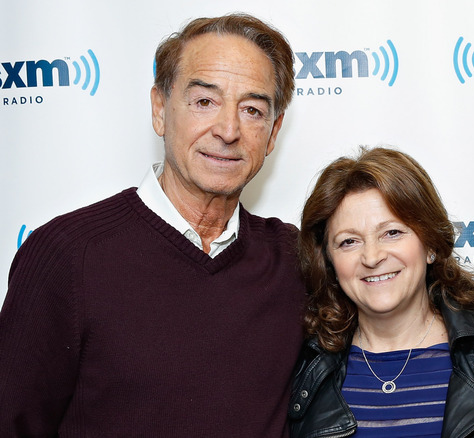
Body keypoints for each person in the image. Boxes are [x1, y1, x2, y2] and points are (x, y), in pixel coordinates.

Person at [0, 14, 305, 436]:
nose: (229, 130)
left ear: (272, 133)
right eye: (204, 102)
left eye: (252, 110)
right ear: (160, 110)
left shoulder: (293, 260)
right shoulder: (68, 254)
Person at [289, 147, 474, 437]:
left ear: (432, 245)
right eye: (349, 241)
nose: (372, 257)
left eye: (392, 233)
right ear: (329, 261)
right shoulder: (304, 371)